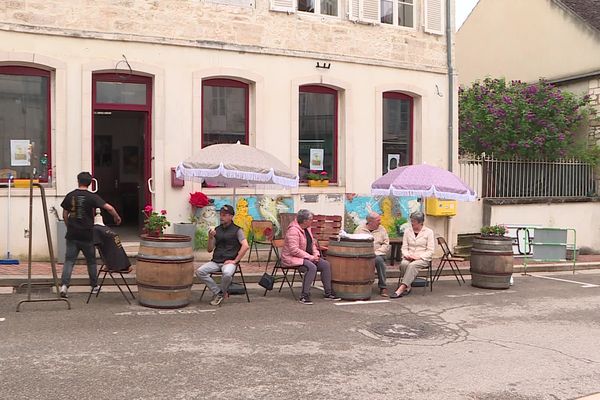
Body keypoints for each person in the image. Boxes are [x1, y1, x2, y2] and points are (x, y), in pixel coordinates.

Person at [60, 172, 122, 298]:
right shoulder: (92, 197)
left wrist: (69, 226)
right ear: (90, 183)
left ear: (78, 181)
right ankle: (94, 286)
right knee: (91, 261)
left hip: (72, 234)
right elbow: (109, 208)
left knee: (69, 261)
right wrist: (116, 217)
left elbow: (64, 214)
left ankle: (64, 286)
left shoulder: (70, 195)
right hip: (87, 234)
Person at [280, 209, 340, 305]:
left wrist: (316, 254)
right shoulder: (293, 231)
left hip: (306, 257)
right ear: (305, 221)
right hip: (291, 258)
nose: (312, 221)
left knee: (325, 264)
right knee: (311, 267)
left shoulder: (307, 228)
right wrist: (310, 257)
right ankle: (304, 295)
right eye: (311, 219)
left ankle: (328, 293)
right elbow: (294, 250)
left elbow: (312, 244)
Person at [195, 205, 249, 306]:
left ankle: (222, 292)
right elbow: (209, 249)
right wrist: (211, 237)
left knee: (227, 274)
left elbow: (245, 246)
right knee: (199, 271)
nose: (221, 217)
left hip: (229, 261)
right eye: (220, 214)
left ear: (231, 216)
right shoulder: (217, 230)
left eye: (224, 215)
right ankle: (219, 292)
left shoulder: (237, 230)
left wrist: (235, 261)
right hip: (216, 261)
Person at [391, 211, 435, 298]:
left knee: (412, 265)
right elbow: (404, 247)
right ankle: (408, 286)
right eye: (411, 221)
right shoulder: (407, 231)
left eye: (413, 221)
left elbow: (431, 250)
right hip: (409, 256)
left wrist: (418, 257)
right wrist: (407, 255)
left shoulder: (429, 232)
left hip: (423, 259)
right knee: (404, 264)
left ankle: (401, 288)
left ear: (420, 222)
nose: (411, 223)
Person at [354, 212, 390, 297]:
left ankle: (383, 287)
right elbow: (355, 243)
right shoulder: (359, 229)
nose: (380, 222)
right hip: (363, 254)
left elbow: (386, 244)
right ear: (370, 221)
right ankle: (359, 285)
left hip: (378, 254)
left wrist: (376, 253)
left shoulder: (382, 229)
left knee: (379, 261)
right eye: (378, 220)